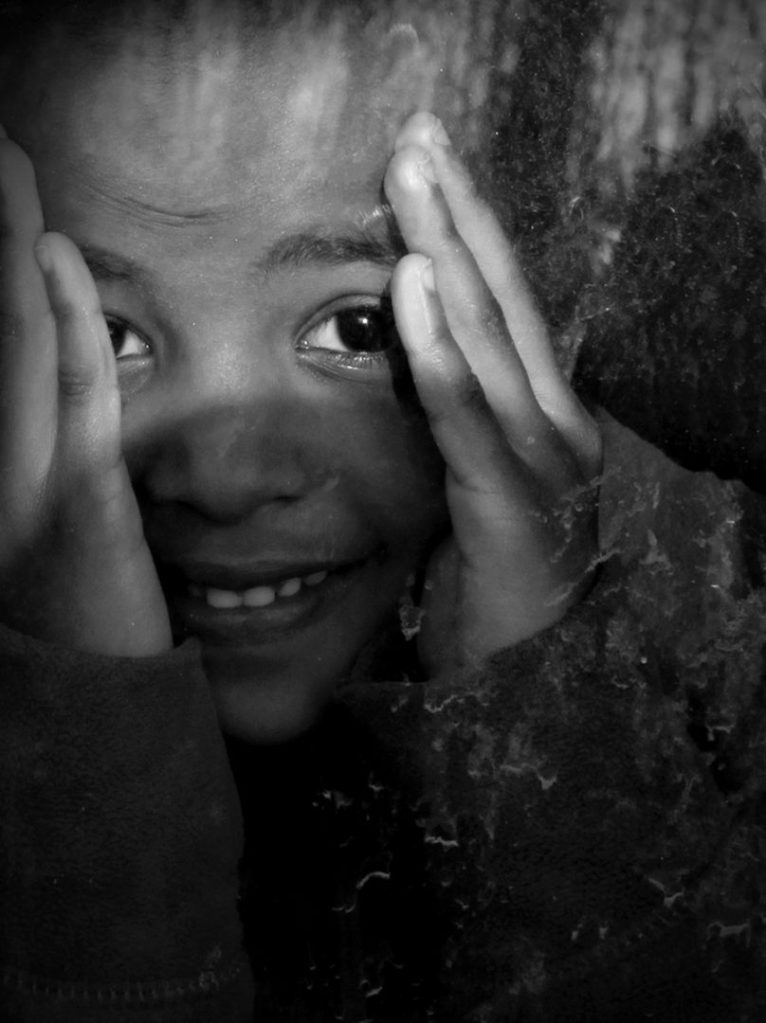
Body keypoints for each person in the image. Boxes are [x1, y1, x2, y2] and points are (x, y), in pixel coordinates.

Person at [0, 1, 764, 1021]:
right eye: (100, 337)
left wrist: (542, 686)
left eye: (359, 328)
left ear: (531, 300)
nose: (223, 479)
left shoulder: (723, 634)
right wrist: (82, 735)